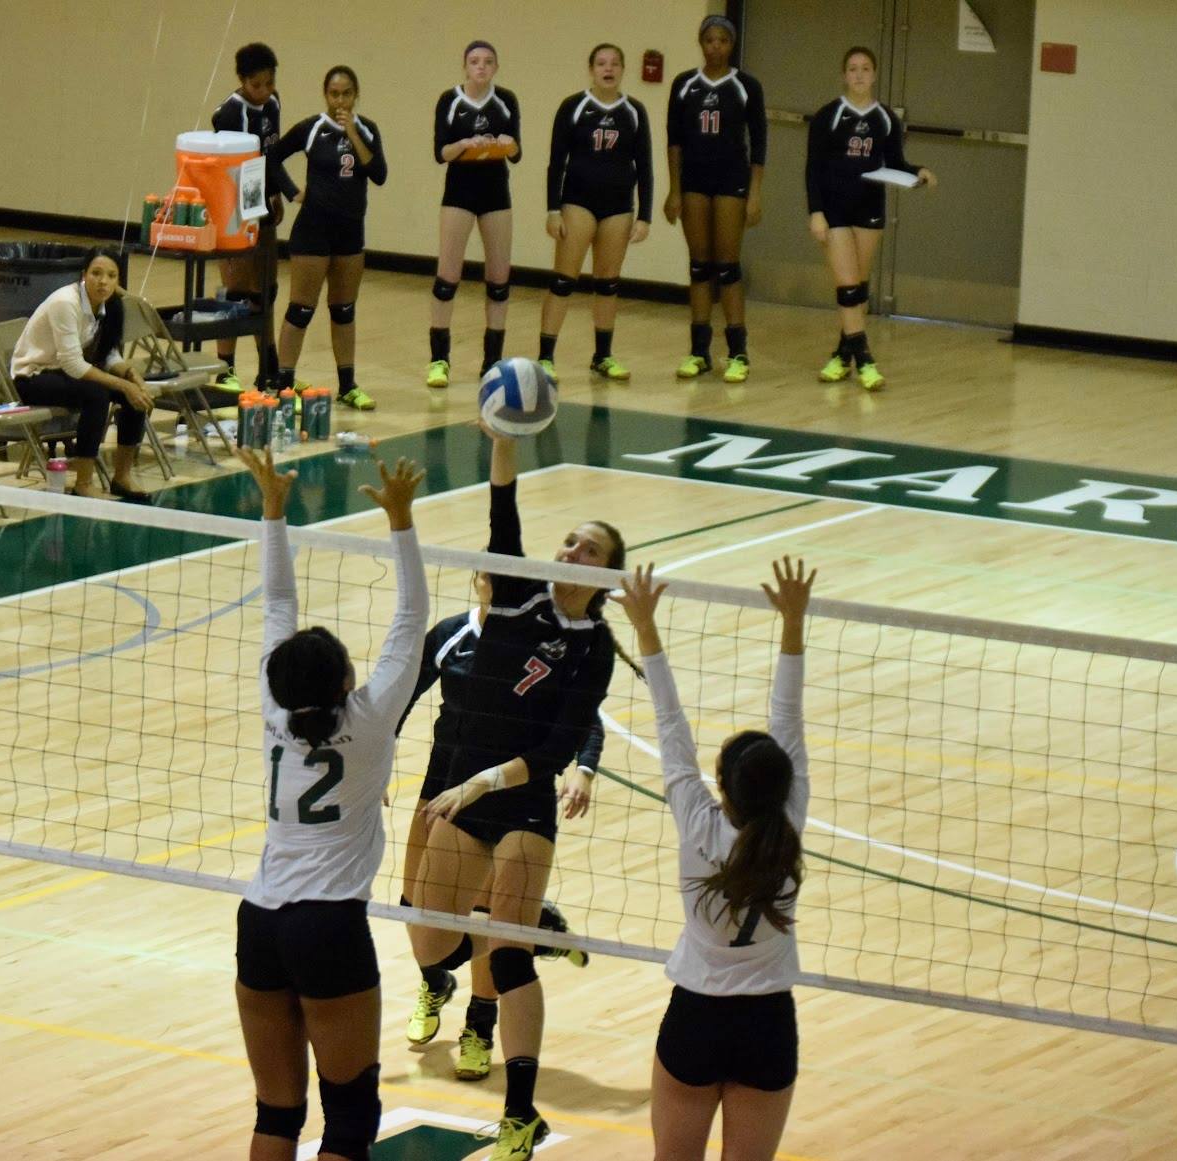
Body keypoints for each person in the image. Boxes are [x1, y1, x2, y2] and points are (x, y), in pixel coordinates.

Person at [406, 426, 638, 1161]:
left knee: (507, 959)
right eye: (568, 541)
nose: (570, 552)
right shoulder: (513, 595)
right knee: (431, 938)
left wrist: (483, 781)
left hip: (519, 800)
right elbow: (500, 507)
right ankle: (529, 911)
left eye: (588, 549)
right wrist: (504, 440)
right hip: (464, 794)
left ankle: (520, 1114)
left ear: (606, 576)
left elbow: (555, 749)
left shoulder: (594, 648)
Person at [234, 445, 428, 1161]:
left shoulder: (273, 710)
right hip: (327, 926)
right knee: (348, 1119)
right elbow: (411, 615)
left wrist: (273, 508)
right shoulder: (371, 716)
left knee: (277, 1112)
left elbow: (276, 604)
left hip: (259, 920)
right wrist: (400, 520)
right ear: (347, 678)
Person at [611, 557, 812, 1161]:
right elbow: (789, 717)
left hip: (697, 1017)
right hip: (768, 1023)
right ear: (782, 786)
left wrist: (645, 627)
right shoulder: (790, 825)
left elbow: (670, 725)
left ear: (720, 786)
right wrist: (793, 624)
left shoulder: (698, 823)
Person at [395, 571, 599, 1083]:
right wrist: (377, 756)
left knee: (484, 915)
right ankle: (436, 979)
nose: (494, 583)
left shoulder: (534, 644)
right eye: (487, 575)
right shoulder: (450, 634)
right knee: (417, 910)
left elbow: (583, 717)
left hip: (504, 789)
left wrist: (584, 767)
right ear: (474, 579)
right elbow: (400, 697)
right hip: (442, 780)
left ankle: (480, 1027)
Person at [804, 46, 935, 391]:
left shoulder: (886, 118)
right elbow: (813, 169)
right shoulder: (828, 115)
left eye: (865, 68)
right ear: (844, 75)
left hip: (869, 209)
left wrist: (917, 171)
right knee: (846, 286)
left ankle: (841, 354)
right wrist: (815, 211)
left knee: (858, 290)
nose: (859, 74)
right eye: (852, 68)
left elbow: (895, 163)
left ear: (874, 75)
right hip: (834, 211)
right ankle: (865, 359)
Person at [269, 66, 387, 411]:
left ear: (356, 95)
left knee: (344, 309)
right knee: (301, 308)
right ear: (325, 94)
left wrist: (353, 130)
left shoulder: (367, 130)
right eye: (334, 93)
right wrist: (292, 192)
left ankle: (348, 385)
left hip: (351, 230)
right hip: (313, 229)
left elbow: (379, 174)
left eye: (346, 93)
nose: (340, 100)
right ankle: (284, 383)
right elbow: (274, 156)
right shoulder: (312, 128)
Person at [537, 43, 653, 385]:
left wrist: (645, 214)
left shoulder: (634, 111)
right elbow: (556, 162)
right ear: (591, 69)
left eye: (615, 63)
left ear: (622, 70)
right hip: (578, 202)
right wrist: (553, 209)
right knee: (563, 280)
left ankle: (603, 356)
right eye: (602, 63)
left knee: (608, 282)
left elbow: (644, 166)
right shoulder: (574, 107)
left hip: (618, 206)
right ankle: (545, 357)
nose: (608, 68)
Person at [663, 16, 767, 383]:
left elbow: (759, 145)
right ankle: (698, 351)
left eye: (723, 40)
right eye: (709, 40)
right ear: (701, 42)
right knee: (699, 266)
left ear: (732, 44)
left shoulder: (746, 85)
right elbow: (673, 140)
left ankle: (738, 351)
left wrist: (754, 193)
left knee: (727, 266)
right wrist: (674, 189)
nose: (716, 46)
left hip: (731, 180)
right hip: (693, 180)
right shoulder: (684, 85)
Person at [9, 247, 155, 500]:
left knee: (135, 397)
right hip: (33, 376)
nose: (103, 281)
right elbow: (73, 365)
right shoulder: (65, 303)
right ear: (83, 275)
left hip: (66, 375)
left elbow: (107, 355)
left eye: (111, 275)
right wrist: (123, 385)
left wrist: (131, 376)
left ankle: (122, 477)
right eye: (96, 273)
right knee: (96, 395)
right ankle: (83, 483)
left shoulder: (110, 306)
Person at [426, 40, 521, 389]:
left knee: (498, 280)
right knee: (447, 276)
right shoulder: (449, 100)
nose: (481, 67)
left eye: (488, 62)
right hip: (459, 193)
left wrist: (506, 144)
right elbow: (441, 152)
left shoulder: (506, 100)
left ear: (496, 67)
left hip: (496, 193)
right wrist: (465, 144)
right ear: (465, 67)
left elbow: (516, 151)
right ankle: (439, 360)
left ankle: (492, 361)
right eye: (474, 61)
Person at [212, 42, 295, 394]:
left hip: (261, 201)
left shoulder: (273, 104)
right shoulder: (229, 114)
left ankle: (268, 366)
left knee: (267, 287)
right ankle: (225, 368)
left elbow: (270, 156)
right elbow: (228, 170)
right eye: (257, 85)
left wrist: (275, 193)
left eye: (269, 83)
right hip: (232, 204)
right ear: (243, 81)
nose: (264, 91)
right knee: (236, 289)